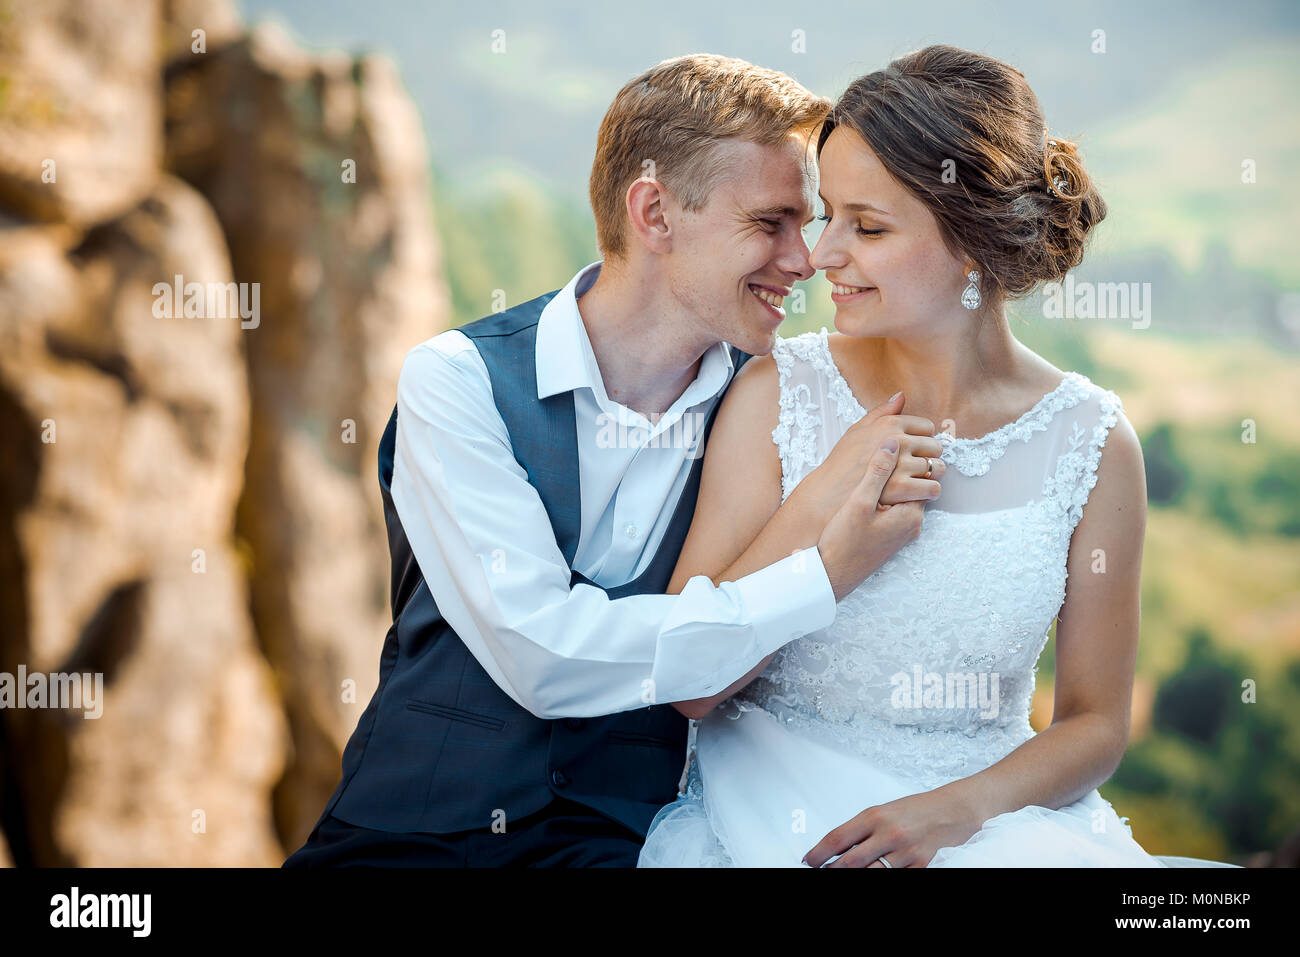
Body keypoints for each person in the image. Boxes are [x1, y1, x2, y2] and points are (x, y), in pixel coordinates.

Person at [284, 54, 940, 868]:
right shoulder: (457, 381)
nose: (803, 259)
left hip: (628, 844)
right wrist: (819, 575)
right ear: (655, 214)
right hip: (407, 836)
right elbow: (544, 654)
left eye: (804, 225)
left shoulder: (776, 407)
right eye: (770, 222)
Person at [638, 45, 1238, 868]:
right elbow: (688, 680)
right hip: (780, 819)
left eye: (869, 227)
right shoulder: (779, 395)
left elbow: (1096, 724)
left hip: (991, 825)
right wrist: (824, 498)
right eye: (828, 217)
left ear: (973, 242)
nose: (820, 255)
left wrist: (956, 810)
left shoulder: (1094, 445)